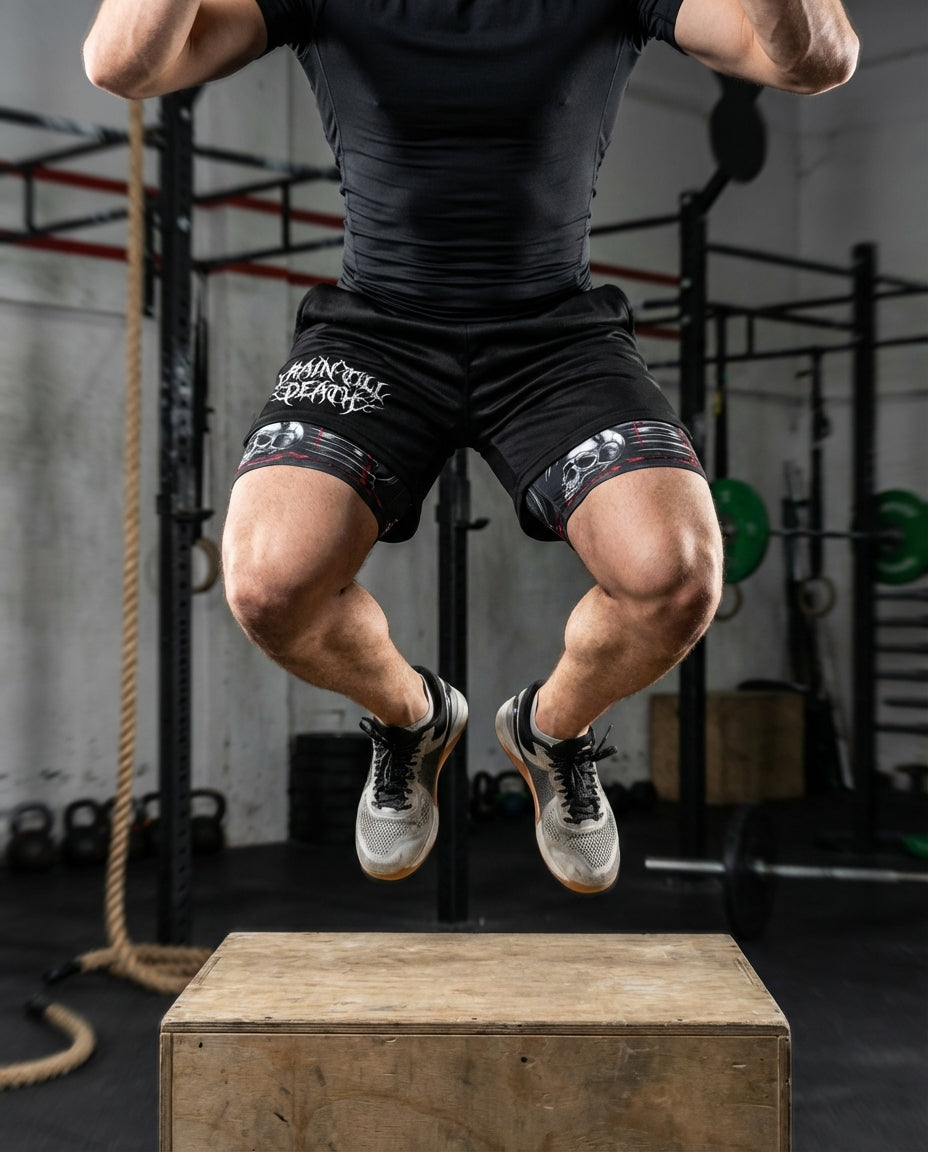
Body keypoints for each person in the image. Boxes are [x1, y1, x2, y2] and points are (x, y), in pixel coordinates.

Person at [84, 0, 858, 895]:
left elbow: (812, 61)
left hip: (553, 338)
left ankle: (551, 731)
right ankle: (413, 721)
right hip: (378, 332)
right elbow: (125, 66)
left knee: (677, 577)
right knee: (267, 584)